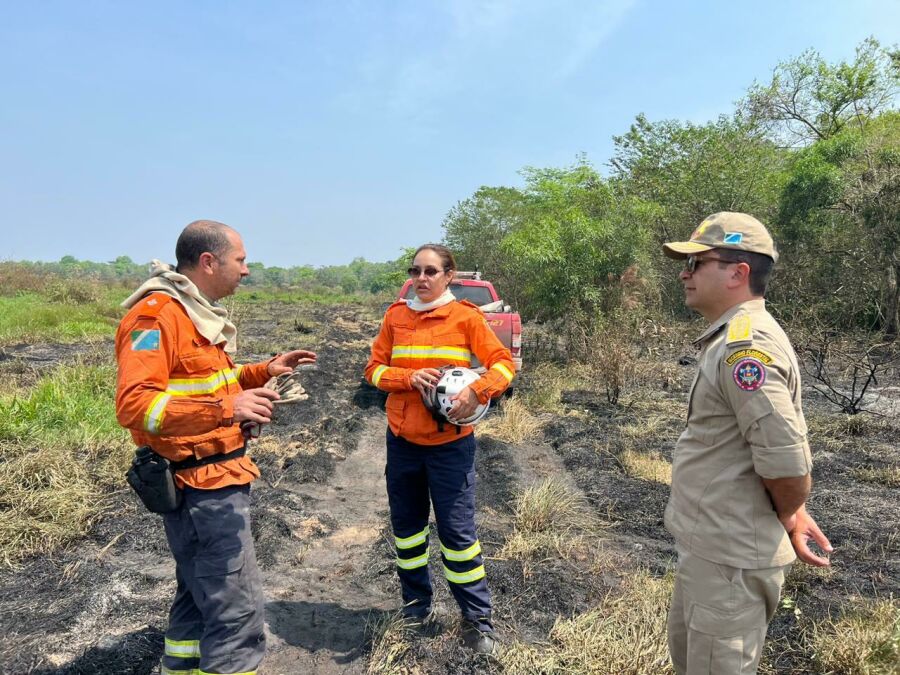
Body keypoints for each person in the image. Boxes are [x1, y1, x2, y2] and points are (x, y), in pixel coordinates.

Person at [115, 220, 316, 675]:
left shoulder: (192, 311)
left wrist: (264, 371)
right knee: (235, 615)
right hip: (200, 488)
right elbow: (134, 405)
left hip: (211, 480)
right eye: (240, 260)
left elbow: (208, 382)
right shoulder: (157, 316)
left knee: (195, 596)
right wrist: (228, 409)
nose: (246, 271)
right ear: (208, 262)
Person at [661, 212, 833, 674]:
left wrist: (789, 509)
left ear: (738, 273)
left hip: (731, 561)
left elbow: (787, 462)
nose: (685, 272)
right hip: (714, 549)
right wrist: (792, 512)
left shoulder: (746, 345)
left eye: (697, 263)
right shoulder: (730, 338)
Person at [364, 244, 515, 654]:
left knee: (458, 536)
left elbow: (503, 363)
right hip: (402, 444)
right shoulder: (396, 317)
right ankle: (416, 610)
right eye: (416, 270)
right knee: (409, 535)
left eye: (432, 271)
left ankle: (478, 621)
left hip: (450, 448)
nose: (422, 278)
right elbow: (373, 370)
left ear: (449, 276)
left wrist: (478, 392)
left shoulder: (466, 317)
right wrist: (408, 379)